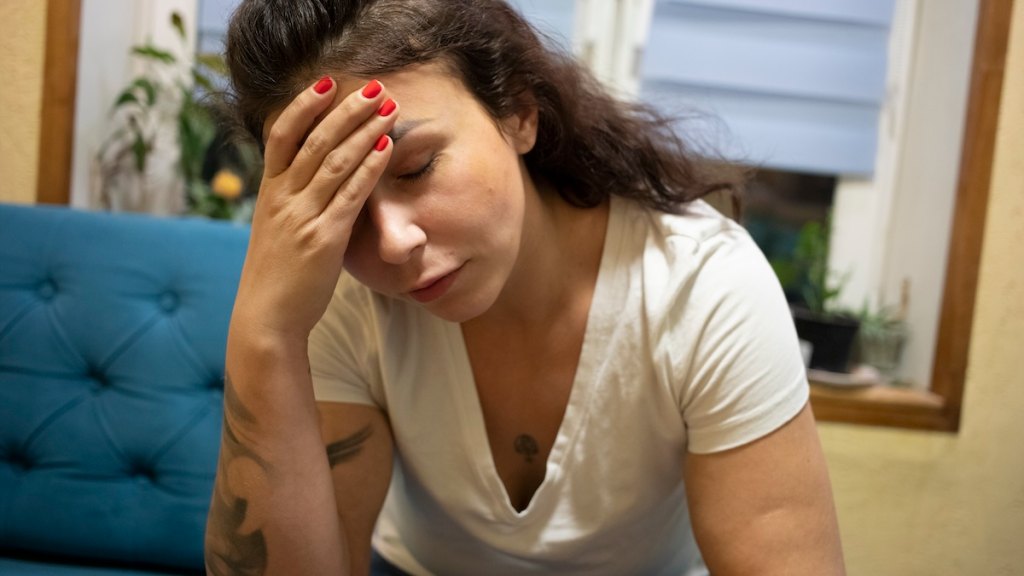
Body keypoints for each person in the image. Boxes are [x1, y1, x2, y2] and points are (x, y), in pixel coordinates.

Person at [203, 0, 846, 574]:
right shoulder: (339, 292)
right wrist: (265, 333)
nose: (393, 243)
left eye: (417, 167)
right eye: (340, 202)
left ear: (518, 111)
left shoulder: (704, 288)